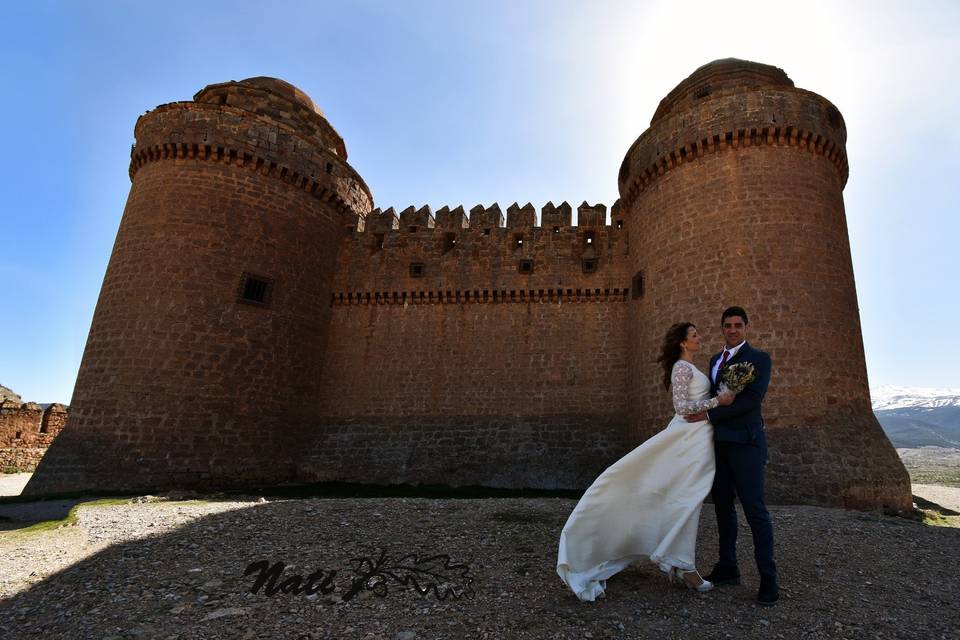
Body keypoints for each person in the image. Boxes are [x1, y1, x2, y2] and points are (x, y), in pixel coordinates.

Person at [556, 322, 734, 601]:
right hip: (686, 440)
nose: (699, 338)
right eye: (694, 335)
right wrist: (717, 402)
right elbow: (682, 408)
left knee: (688, 497)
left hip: (698, 440)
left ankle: (678, 562)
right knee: (686, 497)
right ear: (682, 343)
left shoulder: (690, 367)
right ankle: (683, 566)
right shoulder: (681, 368)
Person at [684, 306, 778, 606]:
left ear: (746, 327)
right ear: (722, 328)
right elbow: (715, 395)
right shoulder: (715, 360)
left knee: (755, 510)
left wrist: (709, 417)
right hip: (720, 445)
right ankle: (728, 567)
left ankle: (768, 579)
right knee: (723, 507)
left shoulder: (759, 359)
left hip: (746, 444)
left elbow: (751, 401)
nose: (733, 329)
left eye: (738, 325)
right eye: (728, 325)